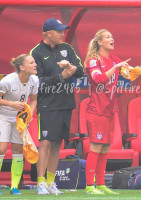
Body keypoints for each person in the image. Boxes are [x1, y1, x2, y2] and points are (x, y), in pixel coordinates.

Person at [30, 18, 84, 195]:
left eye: (63, 31)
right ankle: (40, 183)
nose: (63, 34)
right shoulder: (36, 52)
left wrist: (72, 68)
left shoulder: (66, 48)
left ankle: (51, 183)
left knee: (57, 143)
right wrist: (60, 77)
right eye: (59, 31)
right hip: (47, 104)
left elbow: (81, 69)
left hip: (66, 102)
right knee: (45, 142)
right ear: (48, 33)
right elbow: (36, 81)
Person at [84, 29, 130, 195]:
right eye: (108, 37)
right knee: (96, 147)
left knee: (105, 149)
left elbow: (129, 74)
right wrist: (116, 67)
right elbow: (99, 79)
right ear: (99, 42)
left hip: (110, 111)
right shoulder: (93, 61)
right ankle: (90, 186)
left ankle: (102, 185)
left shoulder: (114, 59)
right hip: (96, 110)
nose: (112, 39)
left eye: (112, 36)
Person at [0, 54, 39, 195]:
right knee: (2, 148)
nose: (35, 65)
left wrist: (29, 115)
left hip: (20, 118)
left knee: (18, 149)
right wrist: (11, 103)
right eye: (31, 62)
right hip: (3, 116)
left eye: (34, 62)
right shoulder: (8, 81)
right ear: (22, 67)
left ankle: (14, 187)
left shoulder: (34, 80)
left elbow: (33, 99)